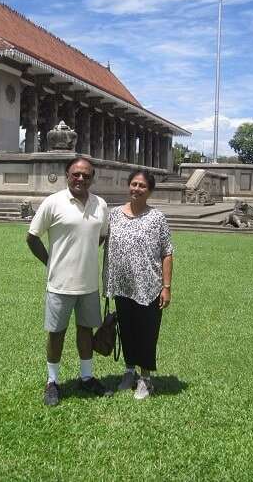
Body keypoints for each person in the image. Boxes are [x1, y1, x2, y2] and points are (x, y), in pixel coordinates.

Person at [26, 157, 111, 406]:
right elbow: (32, 238)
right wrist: (52, 262)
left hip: (89, 285)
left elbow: (101, 236)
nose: (81, 179)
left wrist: (83, 256)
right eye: (76, 174)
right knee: (56, 334)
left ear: (92, 178)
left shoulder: (101, 205)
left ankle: (86, 378)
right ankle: (52, 382)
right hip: (59, 285)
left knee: (86, 331)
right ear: (67, 175)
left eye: (86, 175)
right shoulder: (53, 203)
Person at [103, 170, 174, 400]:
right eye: (133, 184)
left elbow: (167, 253)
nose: (136, 189)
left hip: (149, 286)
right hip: (122, 285)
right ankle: (129, 370)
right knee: (127, 330)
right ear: (128, 186)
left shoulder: (157, 218)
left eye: (142, 186)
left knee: (147, 332)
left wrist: (166, 287)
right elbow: (98, 240)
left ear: (150, 190)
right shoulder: (114, 215)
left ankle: (145, 378)